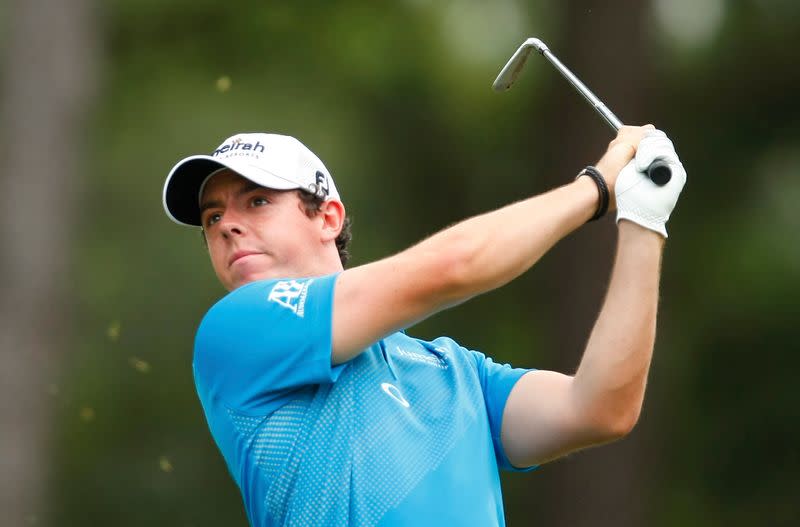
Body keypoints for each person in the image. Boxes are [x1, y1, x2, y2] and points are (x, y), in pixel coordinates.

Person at [162, 127, 686, 527]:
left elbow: (600, 409)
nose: (227, 225)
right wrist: (595, 188)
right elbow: (453, 268)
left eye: (258, 201)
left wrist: (644, 222)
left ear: (328, 218)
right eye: (212, 217)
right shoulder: (236, 331)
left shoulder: (454, 371)